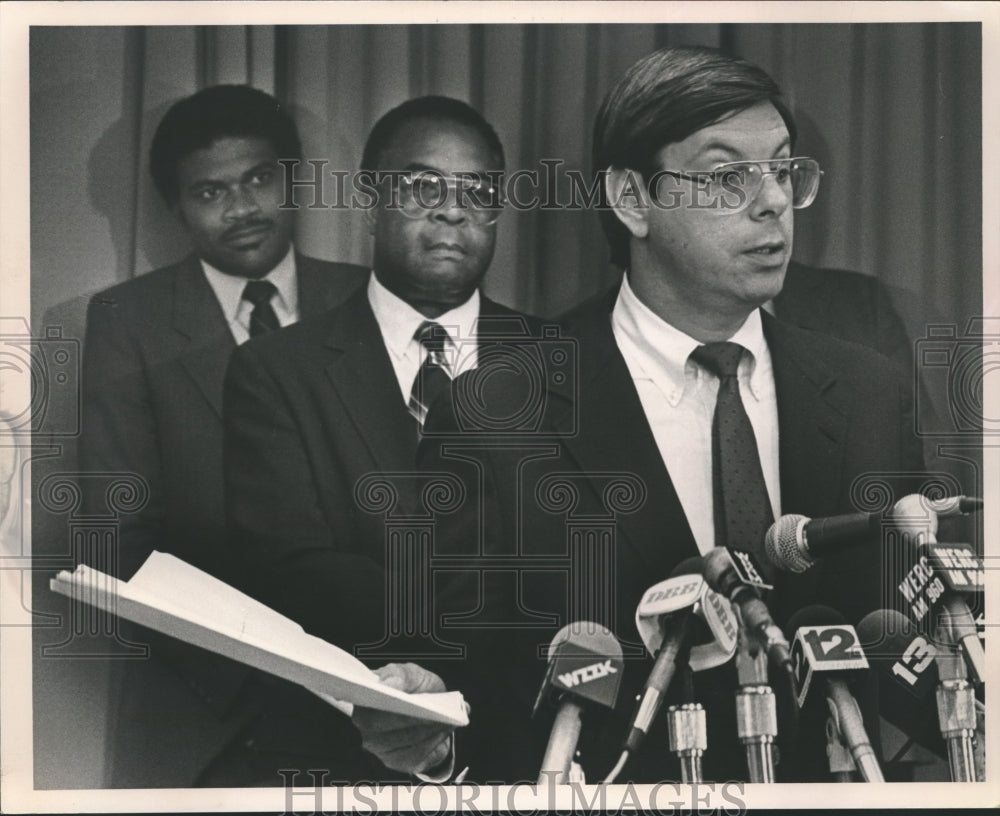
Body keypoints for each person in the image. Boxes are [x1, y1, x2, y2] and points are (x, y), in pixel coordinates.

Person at [359, 46, 927, 784]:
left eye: (784, 170)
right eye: (728, 176)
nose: (773, 201)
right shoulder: (496, 415)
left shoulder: (869, 394)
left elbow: (916, 654)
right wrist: (430, 732)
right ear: (631, 200)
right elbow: (464, 686)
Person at [223, 95, 547, 780]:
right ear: (370, 202)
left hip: (526, 748)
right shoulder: (278, 371)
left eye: (478, 192)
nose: (452, 210)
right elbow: (292, 570)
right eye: (424, 186)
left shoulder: (559, 361)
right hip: (343, 748)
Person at [79, 84, 367, 787]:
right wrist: (270, 671)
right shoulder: (127, 321)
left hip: (379, 693)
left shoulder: (370, 298)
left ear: (293, 181)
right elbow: (118, 540)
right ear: (176, 207)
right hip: (210, 714)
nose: (241, 210)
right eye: (210, 193)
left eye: (260, 180)